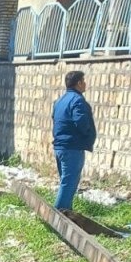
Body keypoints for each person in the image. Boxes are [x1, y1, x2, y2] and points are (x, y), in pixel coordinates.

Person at [51, 70, 96, 211]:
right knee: (69, 183)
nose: (85, 84)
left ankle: (66, 211)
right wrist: (88, 135)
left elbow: (55, 119)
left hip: (60, 147)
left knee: (65, 182)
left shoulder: (60, 100)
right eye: (84, 81)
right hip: (72, 147)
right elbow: (81, 122)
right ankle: (60, 215)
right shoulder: (77, 100)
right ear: (79, 83)